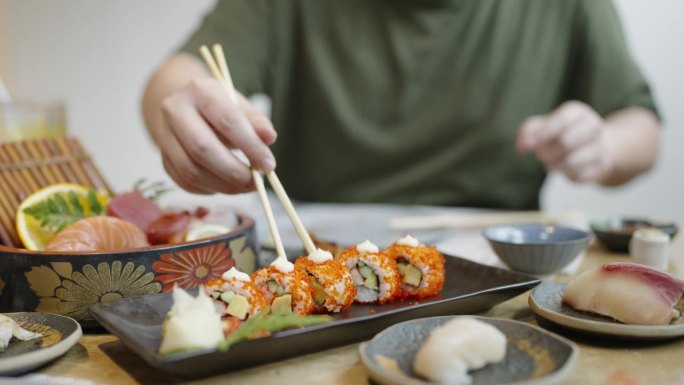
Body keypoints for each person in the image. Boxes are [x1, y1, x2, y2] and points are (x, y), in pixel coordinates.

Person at [142, 0, 660, 210]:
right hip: (313, 252)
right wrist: (186, 110)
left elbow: (641, 126)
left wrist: (604, 146)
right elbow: (179, 75)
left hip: (501, 274)